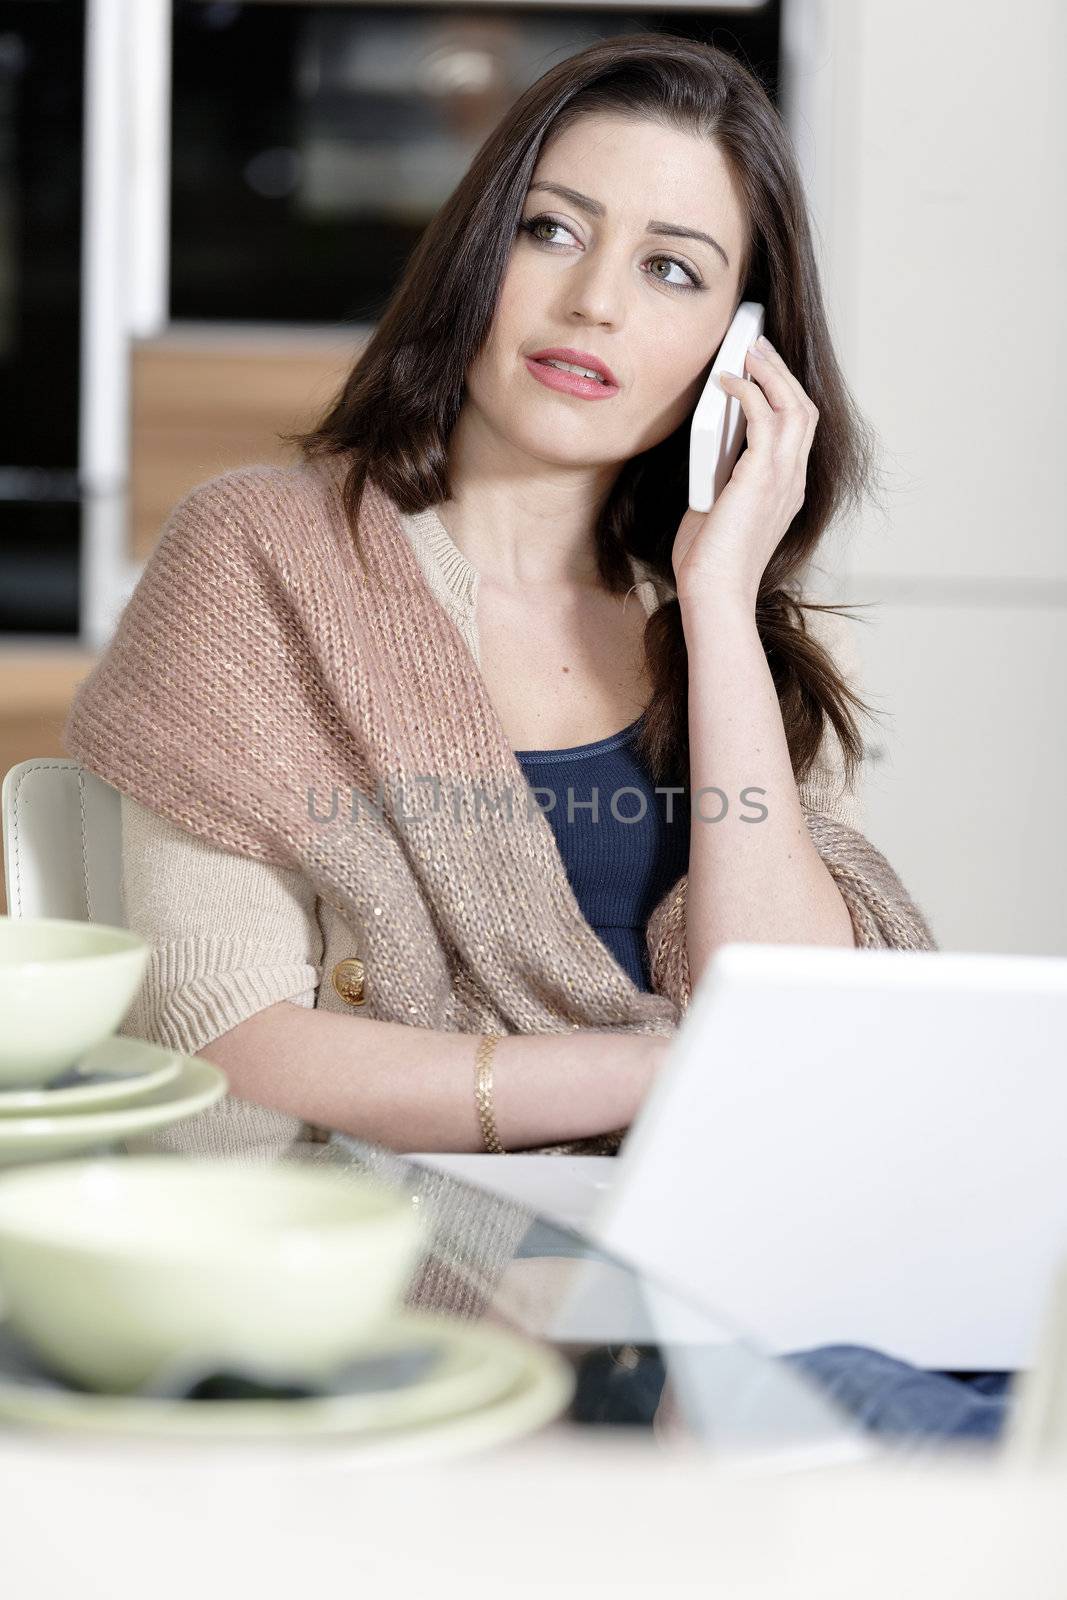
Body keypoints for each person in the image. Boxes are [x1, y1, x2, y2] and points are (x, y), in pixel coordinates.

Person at [66, 35, 1011, 1442]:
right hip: (418, 1276)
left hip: (744, 1255)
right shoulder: (260, 555)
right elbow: (229, 1039)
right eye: (551, 229)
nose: (591, 303)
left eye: (672, 269)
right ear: (475, 253)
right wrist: (655, 1073)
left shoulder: (745, 644)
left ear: (740, 350)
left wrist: (717, 600)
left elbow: (792, 1016)